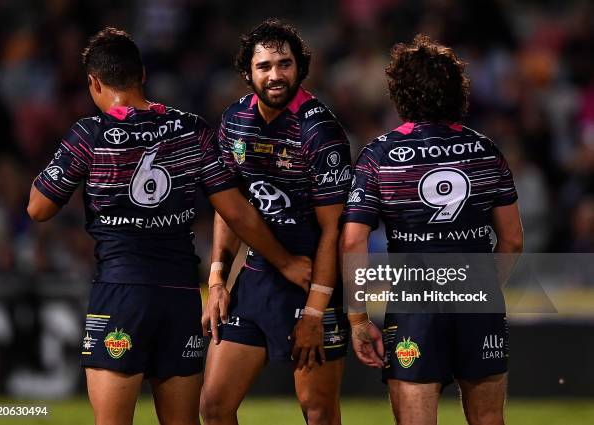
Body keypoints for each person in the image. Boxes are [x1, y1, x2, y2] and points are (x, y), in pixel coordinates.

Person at [27, 27, 311, 425]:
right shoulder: (191, 129)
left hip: (121, 293)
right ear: (142, 74)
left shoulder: (89, 134)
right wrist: (285, 262)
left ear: (93, 81)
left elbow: (38, 208)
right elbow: (237, 211)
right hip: (179, 298)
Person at [340, 35, 523, 425]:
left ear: (400, 93)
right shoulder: (486, 150)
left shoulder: (380, 154)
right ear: (458, 90)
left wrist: (357, 320)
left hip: (414, 308)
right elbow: (512, 238)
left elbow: (353, 240)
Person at [200, 20, 352, 425]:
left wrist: (316, 312)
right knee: (214, 408)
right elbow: (228, 207)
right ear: (247, 72)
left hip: (312, 282)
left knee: (318, 412)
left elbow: (334, 230)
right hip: (257, 279)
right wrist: (217, 281)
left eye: (284, 64)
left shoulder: (320, 131)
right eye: (264, 66)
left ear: (300, 68)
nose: (275, 75)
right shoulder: (233, 121)